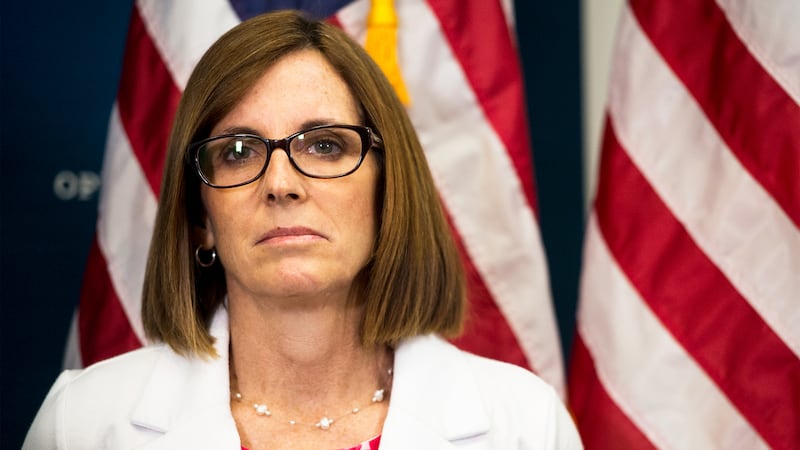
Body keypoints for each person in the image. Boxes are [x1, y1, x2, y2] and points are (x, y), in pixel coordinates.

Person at [24, 10, 582, 450]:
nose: (281, 183)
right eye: (238, 152)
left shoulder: (525, 426)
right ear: (200, 220)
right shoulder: (84, 423)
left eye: (325, 145)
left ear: (388, 195)